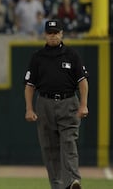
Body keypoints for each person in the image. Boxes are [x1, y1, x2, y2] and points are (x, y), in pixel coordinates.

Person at [24, 19, 89, 189]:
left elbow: (82, 82)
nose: (53, 36)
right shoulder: (37, 57)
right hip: (44, 103)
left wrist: (83, 105)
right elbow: (30, 85)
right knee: (49, 148)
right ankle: (58, 185)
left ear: (62, 34)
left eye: (56, 33)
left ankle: (73, 181)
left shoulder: (72, 55)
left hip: (68, 102)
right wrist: (29, 108)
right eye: (49, 33)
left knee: (69, 142)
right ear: (45, 35)